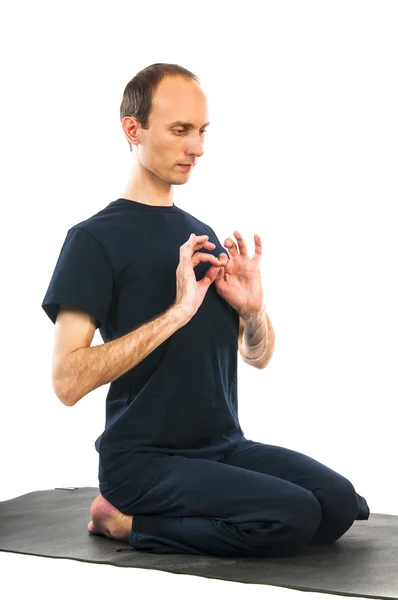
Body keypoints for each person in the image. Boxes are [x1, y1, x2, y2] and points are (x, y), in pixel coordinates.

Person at [42, 63, 370, 558]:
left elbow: (257, 356)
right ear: (133, 129)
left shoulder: (202, 235)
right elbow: (66, 382)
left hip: (222, 446)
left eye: (201, 132)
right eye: (180, 131)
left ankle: (169, 513)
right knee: (293, 514)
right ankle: (125, 519)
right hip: (143, 462)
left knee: (339, 504)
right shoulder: (92, 240)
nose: (197, 148)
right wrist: (176, 314)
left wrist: (254, 312)